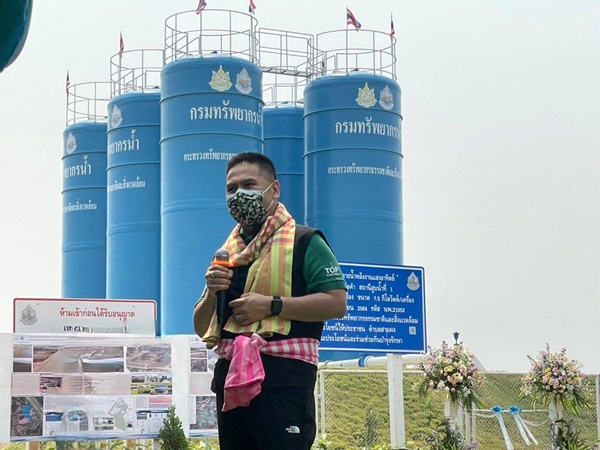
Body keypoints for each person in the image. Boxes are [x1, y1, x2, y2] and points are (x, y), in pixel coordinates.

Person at [193, 152, 347, 450]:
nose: (239, 195)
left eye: (249, 185)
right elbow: (202, 328)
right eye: (231, 189)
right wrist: (212, 292)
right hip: (231, 381)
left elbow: (336, 303)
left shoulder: (305, 241)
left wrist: (271, 305)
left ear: (274, 189)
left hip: (283, 381)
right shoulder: (226, 254)